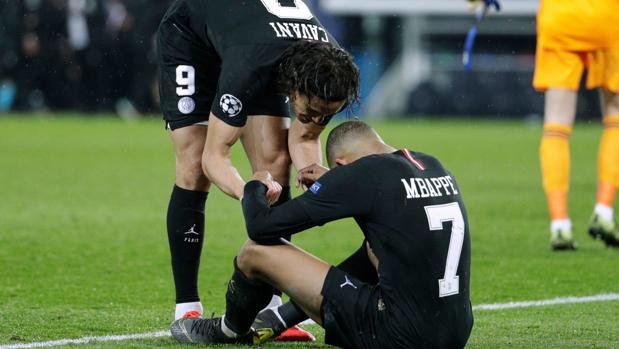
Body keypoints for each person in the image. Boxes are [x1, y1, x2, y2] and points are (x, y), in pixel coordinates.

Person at [170, 121, 473, 349]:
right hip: (455, 333)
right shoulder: (431, 165)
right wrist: (338, 182)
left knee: (254, 252)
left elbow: (261, 226)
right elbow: (384, 208)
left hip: (400, 336)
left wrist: (255, 185)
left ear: (341, 164)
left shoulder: (365, 175)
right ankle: (279, 319)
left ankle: (229, 330)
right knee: (374, 246)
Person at [156, 0, 360, 329]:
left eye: (326, 114)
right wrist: (250, 193)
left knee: (277, 163)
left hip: (260, 42)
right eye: (310, 111)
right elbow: (214, 157)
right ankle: (187, 306)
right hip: (191, 37)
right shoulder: (250, 66)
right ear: (294, 88)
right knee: (194, 165)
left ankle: (270, 305)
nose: (317, 120)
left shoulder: (331, 72)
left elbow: (305, 137)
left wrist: (316, 185)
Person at [534, 0, 619, 250]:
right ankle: (604, 211)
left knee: (555, 126)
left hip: (560, 18)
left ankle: (559, 224)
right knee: (615, 117)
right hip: (606, 18)